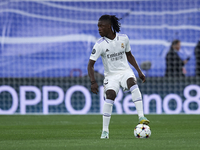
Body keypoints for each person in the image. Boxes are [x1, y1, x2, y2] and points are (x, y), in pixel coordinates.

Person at [87, 15, 150, 139]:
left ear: (109, 27)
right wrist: (93, 82)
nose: (99, 29)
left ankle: (141, 116)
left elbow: (130, 56)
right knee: (110, 95)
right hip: (111, 76)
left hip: (125, 71)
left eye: (102, 26)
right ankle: (105, 131)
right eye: (98, 26)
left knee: (132, 82)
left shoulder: (124, 38)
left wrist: (139, 71)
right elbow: (90, 65)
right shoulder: (99, 44)